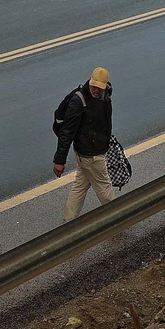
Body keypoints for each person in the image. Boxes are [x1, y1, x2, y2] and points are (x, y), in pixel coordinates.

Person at [53, 67, 115, 221]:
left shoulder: (106, 96)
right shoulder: (78, 101)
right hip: (90, 155)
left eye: (99, 88)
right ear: (90, 81)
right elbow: (67, 132)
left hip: (95, 151)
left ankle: (68, 222)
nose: (96, 90)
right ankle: (117, 217)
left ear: (105, 86)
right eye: (94, 86)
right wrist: (59, 161)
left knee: (80, 187)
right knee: (104, 188)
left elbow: (104, 124)